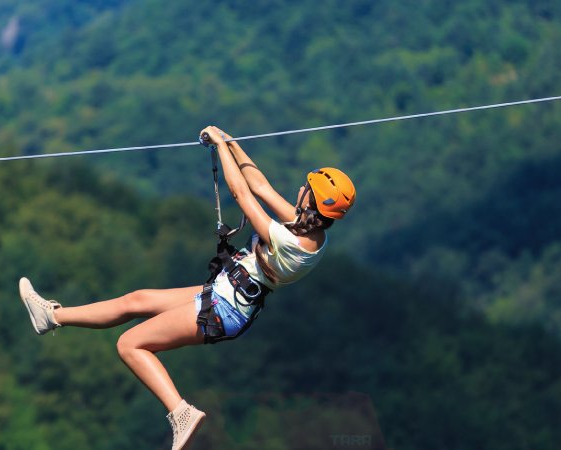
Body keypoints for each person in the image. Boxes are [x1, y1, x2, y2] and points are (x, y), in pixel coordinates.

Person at [18, 126, 356, 450]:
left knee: (130, 344)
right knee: (137, 300)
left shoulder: (290, 240)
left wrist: (220, 147)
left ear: (311, 200)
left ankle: (180, 412)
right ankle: (51, 316)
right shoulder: (312, 233)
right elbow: (262, 187)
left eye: (306, 187)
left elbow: (242, 194)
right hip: (226, 295)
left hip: (225, 307)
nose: (300, 188)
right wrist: (229, 141)